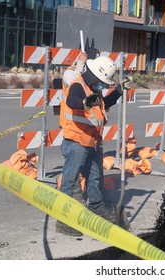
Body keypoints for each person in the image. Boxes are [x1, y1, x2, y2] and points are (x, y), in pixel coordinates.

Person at [56, 55, 131, 236]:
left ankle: (97, 208)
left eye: (105, 84)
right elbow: (72, 100)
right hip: (76, 142)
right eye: (102, 83)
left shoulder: (94, 90)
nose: (103, 86)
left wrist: (119, 91)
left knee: (95, 179)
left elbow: (105, 104)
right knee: (69, 181)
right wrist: (84, 103)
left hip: (92, 142)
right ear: (93, 75)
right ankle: (63, 221)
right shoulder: (78, 85)